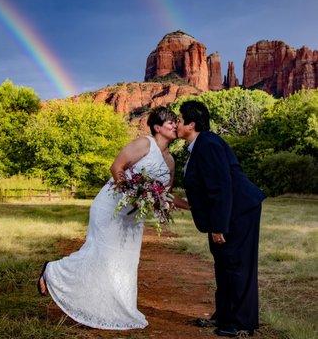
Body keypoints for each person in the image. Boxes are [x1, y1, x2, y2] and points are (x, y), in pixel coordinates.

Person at [37, 106, 187, 330]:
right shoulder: (144, 144)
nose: (176, 125)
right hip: (110, 207)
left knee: (124, 262)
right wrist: (134, 192)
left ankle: (115, 309)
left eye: (177, 122)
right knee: (100, 255)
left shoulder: (171, 161)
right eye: (171, 122)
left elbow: (164, 193)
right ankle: (51, 271)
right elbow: (116, 167)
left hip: (133, 218)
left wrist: (191, 206)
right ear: (157, 127)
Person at [173, 100, 266, 337]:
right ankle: (224, 316)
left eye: (179, 120)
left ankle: (241, 323)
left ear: (191, 124)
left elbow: (221, 187)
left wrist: (218, 227)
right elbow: (206, 190)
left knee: (236, 265)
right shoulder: (199, 145)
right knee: (223, 264)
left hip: (240, 211)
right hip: (229, 211)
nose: (175, 124)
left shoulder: (208, 144)